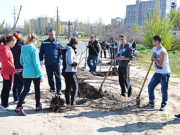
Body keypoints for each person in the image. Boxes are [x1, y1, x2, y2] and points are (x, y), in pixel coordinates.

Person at [15, 34, 43, 116]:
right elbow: (36, 63)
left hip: (26, 72)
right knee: (37, 90)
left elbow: (21, 61)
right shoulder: (33, 49)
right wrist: (40, 75)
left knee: (25, 90)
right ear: (34, 40)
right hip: (34, 73)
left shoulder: (23, 48)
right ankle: (38, 105)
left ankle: (18, 106)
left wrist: (26, 65)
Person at [147, 35, 171, 111]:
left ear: (157, 41)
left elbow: (160, 64)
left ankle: (163, 104)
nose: (152, 42)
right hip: (157, 72)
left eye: (153, 41)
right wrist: (153, 57)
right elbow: (152, 58)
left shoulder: (162, 51)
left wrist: (155, 59)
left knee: (164, 89)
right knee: (150, 86)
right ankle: (151, 102)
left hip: (164, 73)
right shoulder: (154, 49)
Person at [39, 29, 63, 95]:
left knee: (58, 76)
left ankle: (59, 90)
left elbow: (62, 51)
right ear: (48, 34)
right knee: (50, 76)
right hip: (48, 63)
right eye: (50, 34)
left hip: (56, 63)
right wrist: (40, 60)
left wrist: (61, 59)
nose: (51, 36)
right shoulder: (44, 42)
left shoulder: (58, 42)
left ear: (54, 34)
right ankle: (52, 88)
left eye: (52, 34)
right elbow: (41, 52)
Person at [0, 35, 17, 110]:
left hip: (8, 71)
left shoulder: (6, 49)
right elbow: (5, 62)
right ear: (11, 42)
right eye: (14, 43)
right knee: (6, 88)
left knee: (6, 88)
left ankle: (4, 104)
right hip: (7, 72)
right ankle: (4, 105)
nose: (14, 45)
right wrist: (13, 68)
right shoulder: (5, 49)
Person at [62, 38, 79, 108]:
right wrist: (75, 63)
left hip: (65, 71)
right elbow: (70, 61)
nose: (76, 46)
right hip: (71, 71)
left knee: (68, 87)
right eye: (76, 44)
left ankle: (68, 102)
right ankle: (73, 103)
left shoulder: (65, 49)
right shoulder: (70, 50)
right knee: (75, 87)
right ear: (74, 43)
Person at [11, 31, 25, 104]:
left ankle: (16, 98)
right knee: (21, 83)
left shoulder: (11, 47)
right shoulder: (22, 47)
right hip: (21, 67)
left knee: (15, 84)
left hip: (14, 67)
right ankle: (19, 97)